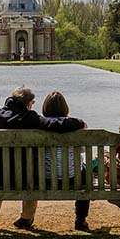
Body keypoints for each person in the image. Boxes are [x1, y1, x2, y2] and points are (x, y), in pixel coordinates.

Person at [0, 87, 85, 231]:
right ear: (28, 103)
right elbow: (53, 124)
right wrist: (78, 122)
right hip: (25, 178)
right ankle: (26, 218)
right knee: (31, 173)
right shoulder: (29, 118)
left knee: (0, 171)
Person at [42, 91, 90, 231]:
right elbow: (81, 150)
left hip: (45, 179)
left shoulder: (39, 125)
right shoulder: (75, 126)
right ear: (65, 107)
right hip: (71, 178)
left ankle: (26, 218)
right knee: (85, 173)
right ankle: (80, 219)